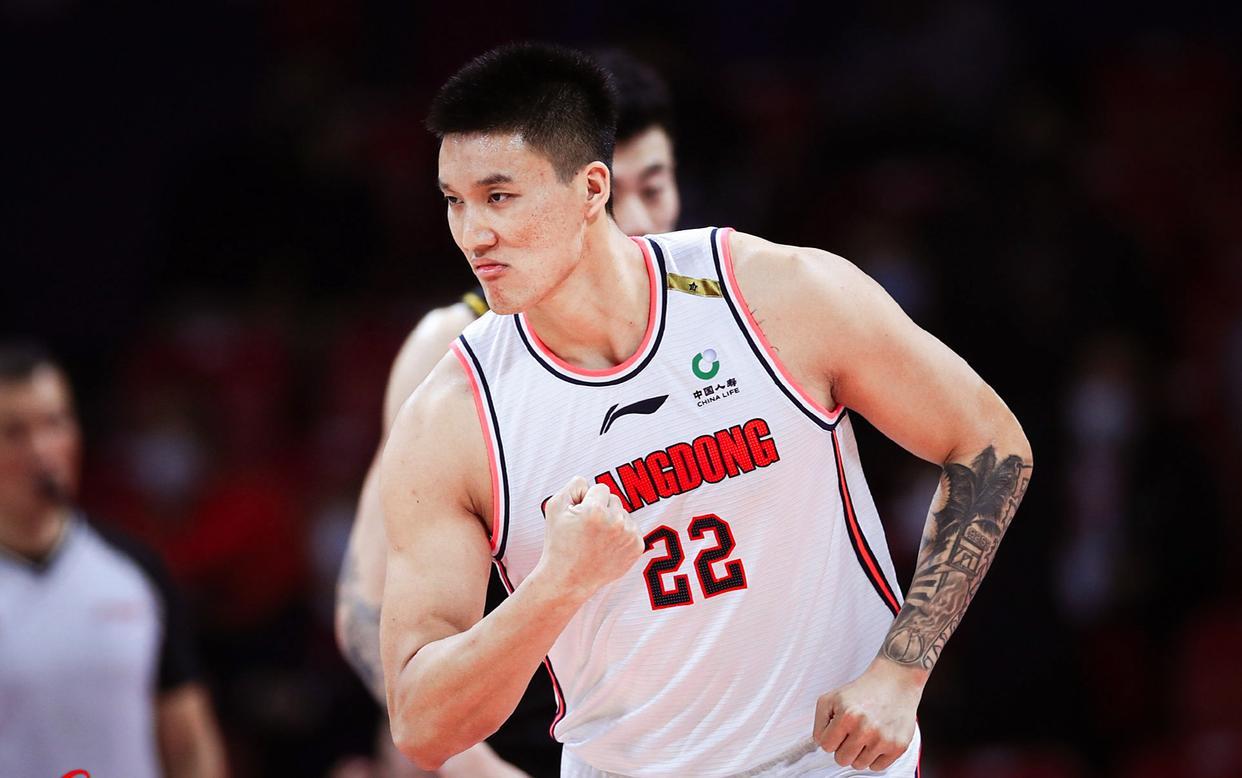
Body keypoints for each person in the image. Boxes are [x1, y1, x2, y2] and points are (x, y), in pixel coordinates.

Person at [380, 43, 1033, 778]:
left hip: (826, 763)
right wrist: (556, 585)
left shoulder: (771, 295)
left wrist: (902, 671)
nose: (473, 233)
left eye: (499, 197)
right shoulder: (453, 416)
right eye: (454, 200)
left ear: (592, 188)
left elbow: (990, 442)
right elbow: (421, 723)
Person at [335, 50, 681, 777]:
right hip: (522, 748)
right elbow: (366, 611)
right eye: (623, 194)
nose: (641, 217)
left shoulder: (714, 317)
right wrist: (482, 771)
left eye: (655, 187)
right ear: (585, 191)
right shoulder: (450, 353)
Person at [0, 343, 227, 778]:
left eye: (54, 423)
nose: (42, 450)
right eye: (14, 432)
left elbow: (189, 742)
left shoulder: (134, 571)